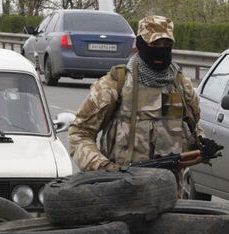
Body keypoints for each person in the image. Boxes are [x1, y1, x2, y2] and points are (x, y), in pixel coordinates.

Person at [68, 15, 204, 197]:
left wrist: (202, 144)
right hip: (119, 191)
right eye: (155, 45)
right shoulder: (115, 84)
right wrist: (105, 168)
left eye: (166, 45)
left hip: (169, 194)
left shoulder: (181, 86)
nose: (161, 51)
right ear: (140, 45)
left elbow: (193, 128)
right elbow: (79, 134)